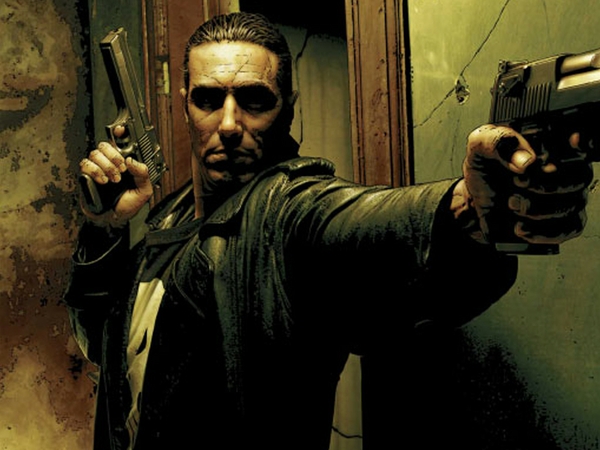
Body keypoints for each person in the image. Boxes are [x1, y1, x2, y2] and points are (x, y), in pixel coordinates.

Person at [64, 11, 593, 450]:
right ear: (184, 102)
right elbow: (102, 343)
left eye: (254, 100)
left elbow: (358, 223)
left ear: (288, 109)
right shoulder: (171, 215)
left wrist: (464, 210)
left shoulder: (287, 209)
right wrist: (105, 230)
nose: (227, 124)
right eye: (208, 99)